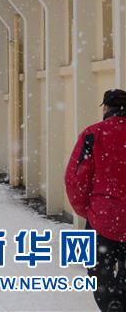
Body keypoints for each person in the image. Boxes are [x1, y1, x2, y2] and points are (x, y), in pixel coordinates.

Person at [65, 89, 126, 312]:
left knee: (99, 271)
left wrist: (86, 210)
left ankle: (111, 304)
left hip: (103, 218)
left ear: (106, 108)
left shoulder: (93, 134)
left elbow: (76, 178)